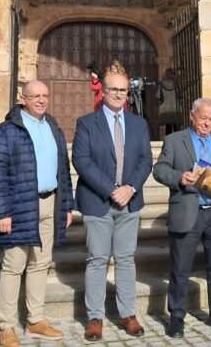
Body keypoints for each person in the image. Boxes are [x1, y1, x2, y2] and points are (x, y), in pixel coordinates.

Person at [0, 80, 74, 346]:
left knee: (40, 264)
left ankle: (35, 320)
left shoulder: (53, 127)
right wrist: (2, 212)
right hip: (19, 205)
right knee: (14, 266)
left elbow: (63, 169)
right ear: (22, 98)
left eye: (45, 95)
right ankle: (7, 326)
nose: (41, 100)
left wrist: (66, 205)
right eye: (35, 96)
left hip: (50, 203)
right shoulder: (6, 131)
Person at [72, 61, 153, 341]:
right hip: (98, 202)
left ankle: (128, 314)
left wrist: (130, 187)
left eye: (123, 90)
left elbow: (145, 160)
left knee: (126, 259)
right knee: (97, 259)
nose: (119, 94)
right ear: (103, 91)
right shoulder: (87, 123)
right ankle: (95, 317)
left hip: (129, 202)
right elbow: (81, 161)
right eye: (114, 89)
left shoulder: (139, 123)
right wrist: (111, 190)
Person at [153, 98, 211, 338]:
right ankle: (177, 317)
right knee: (180, 268)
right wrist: (180, 177)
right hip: (188, 212)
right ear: (192, 116)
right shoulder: (174, 140)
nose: (207, 124)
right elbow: (159, 170)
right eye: (203, 119)